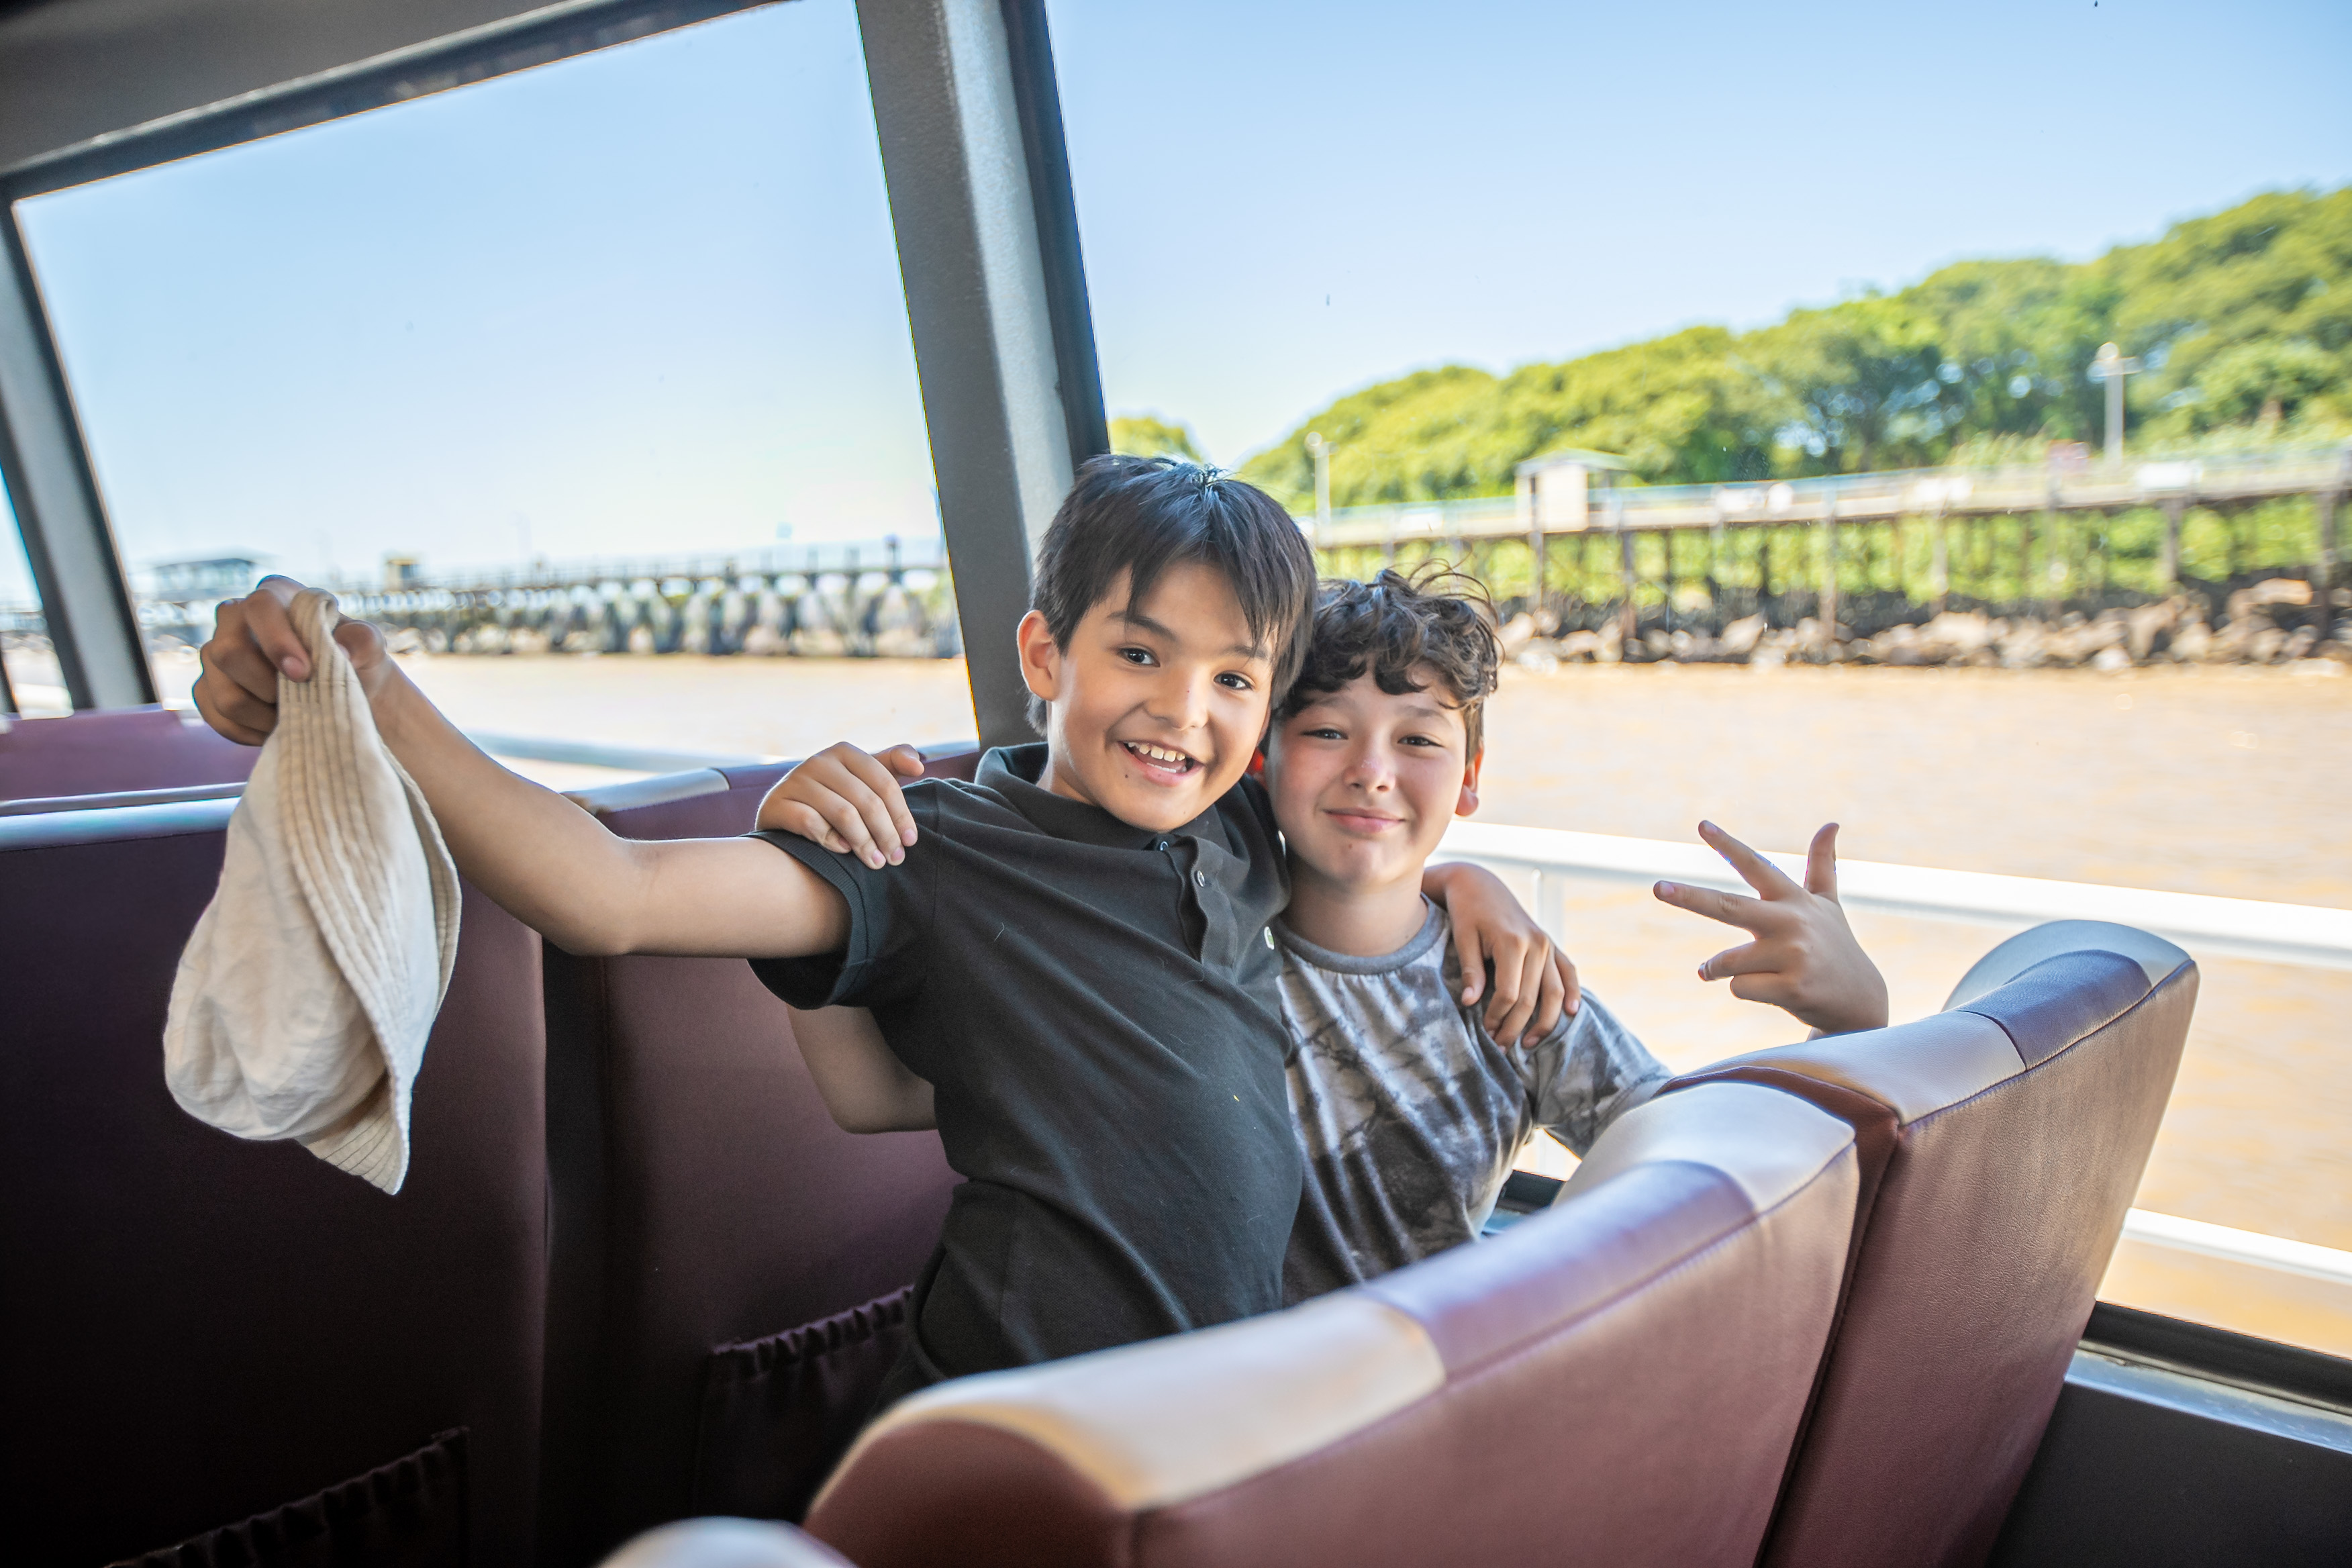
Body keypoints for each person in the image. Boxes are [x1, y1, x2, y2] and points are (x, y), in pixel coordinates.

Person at [191, 456, 1565, 1407]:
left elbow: (1365, 837)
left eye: (1233, 680)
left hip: (1217, 1405)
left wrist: (1468, 883)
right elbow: (608, 893)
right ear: (1045, 657)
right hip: (1021, 1407)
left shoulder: (1240, 832)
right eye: (1139, 654)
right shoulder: (933, 845)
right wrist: (379, 696)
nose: (1182, 712)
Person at [766, 567, 1890, 1303]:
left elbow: (1706, 1170)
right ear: (1258, 753)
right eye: (1325, 731)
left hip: (1420, 1409)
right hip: (1201, 1416)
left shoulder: (1503, 983)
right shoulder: (1173, 942)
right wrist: (823, 872)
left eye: (1419, 741)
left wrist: (1853, 1019)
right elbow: (900, 1093)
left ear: (1474, 776)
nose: (1370, 772)